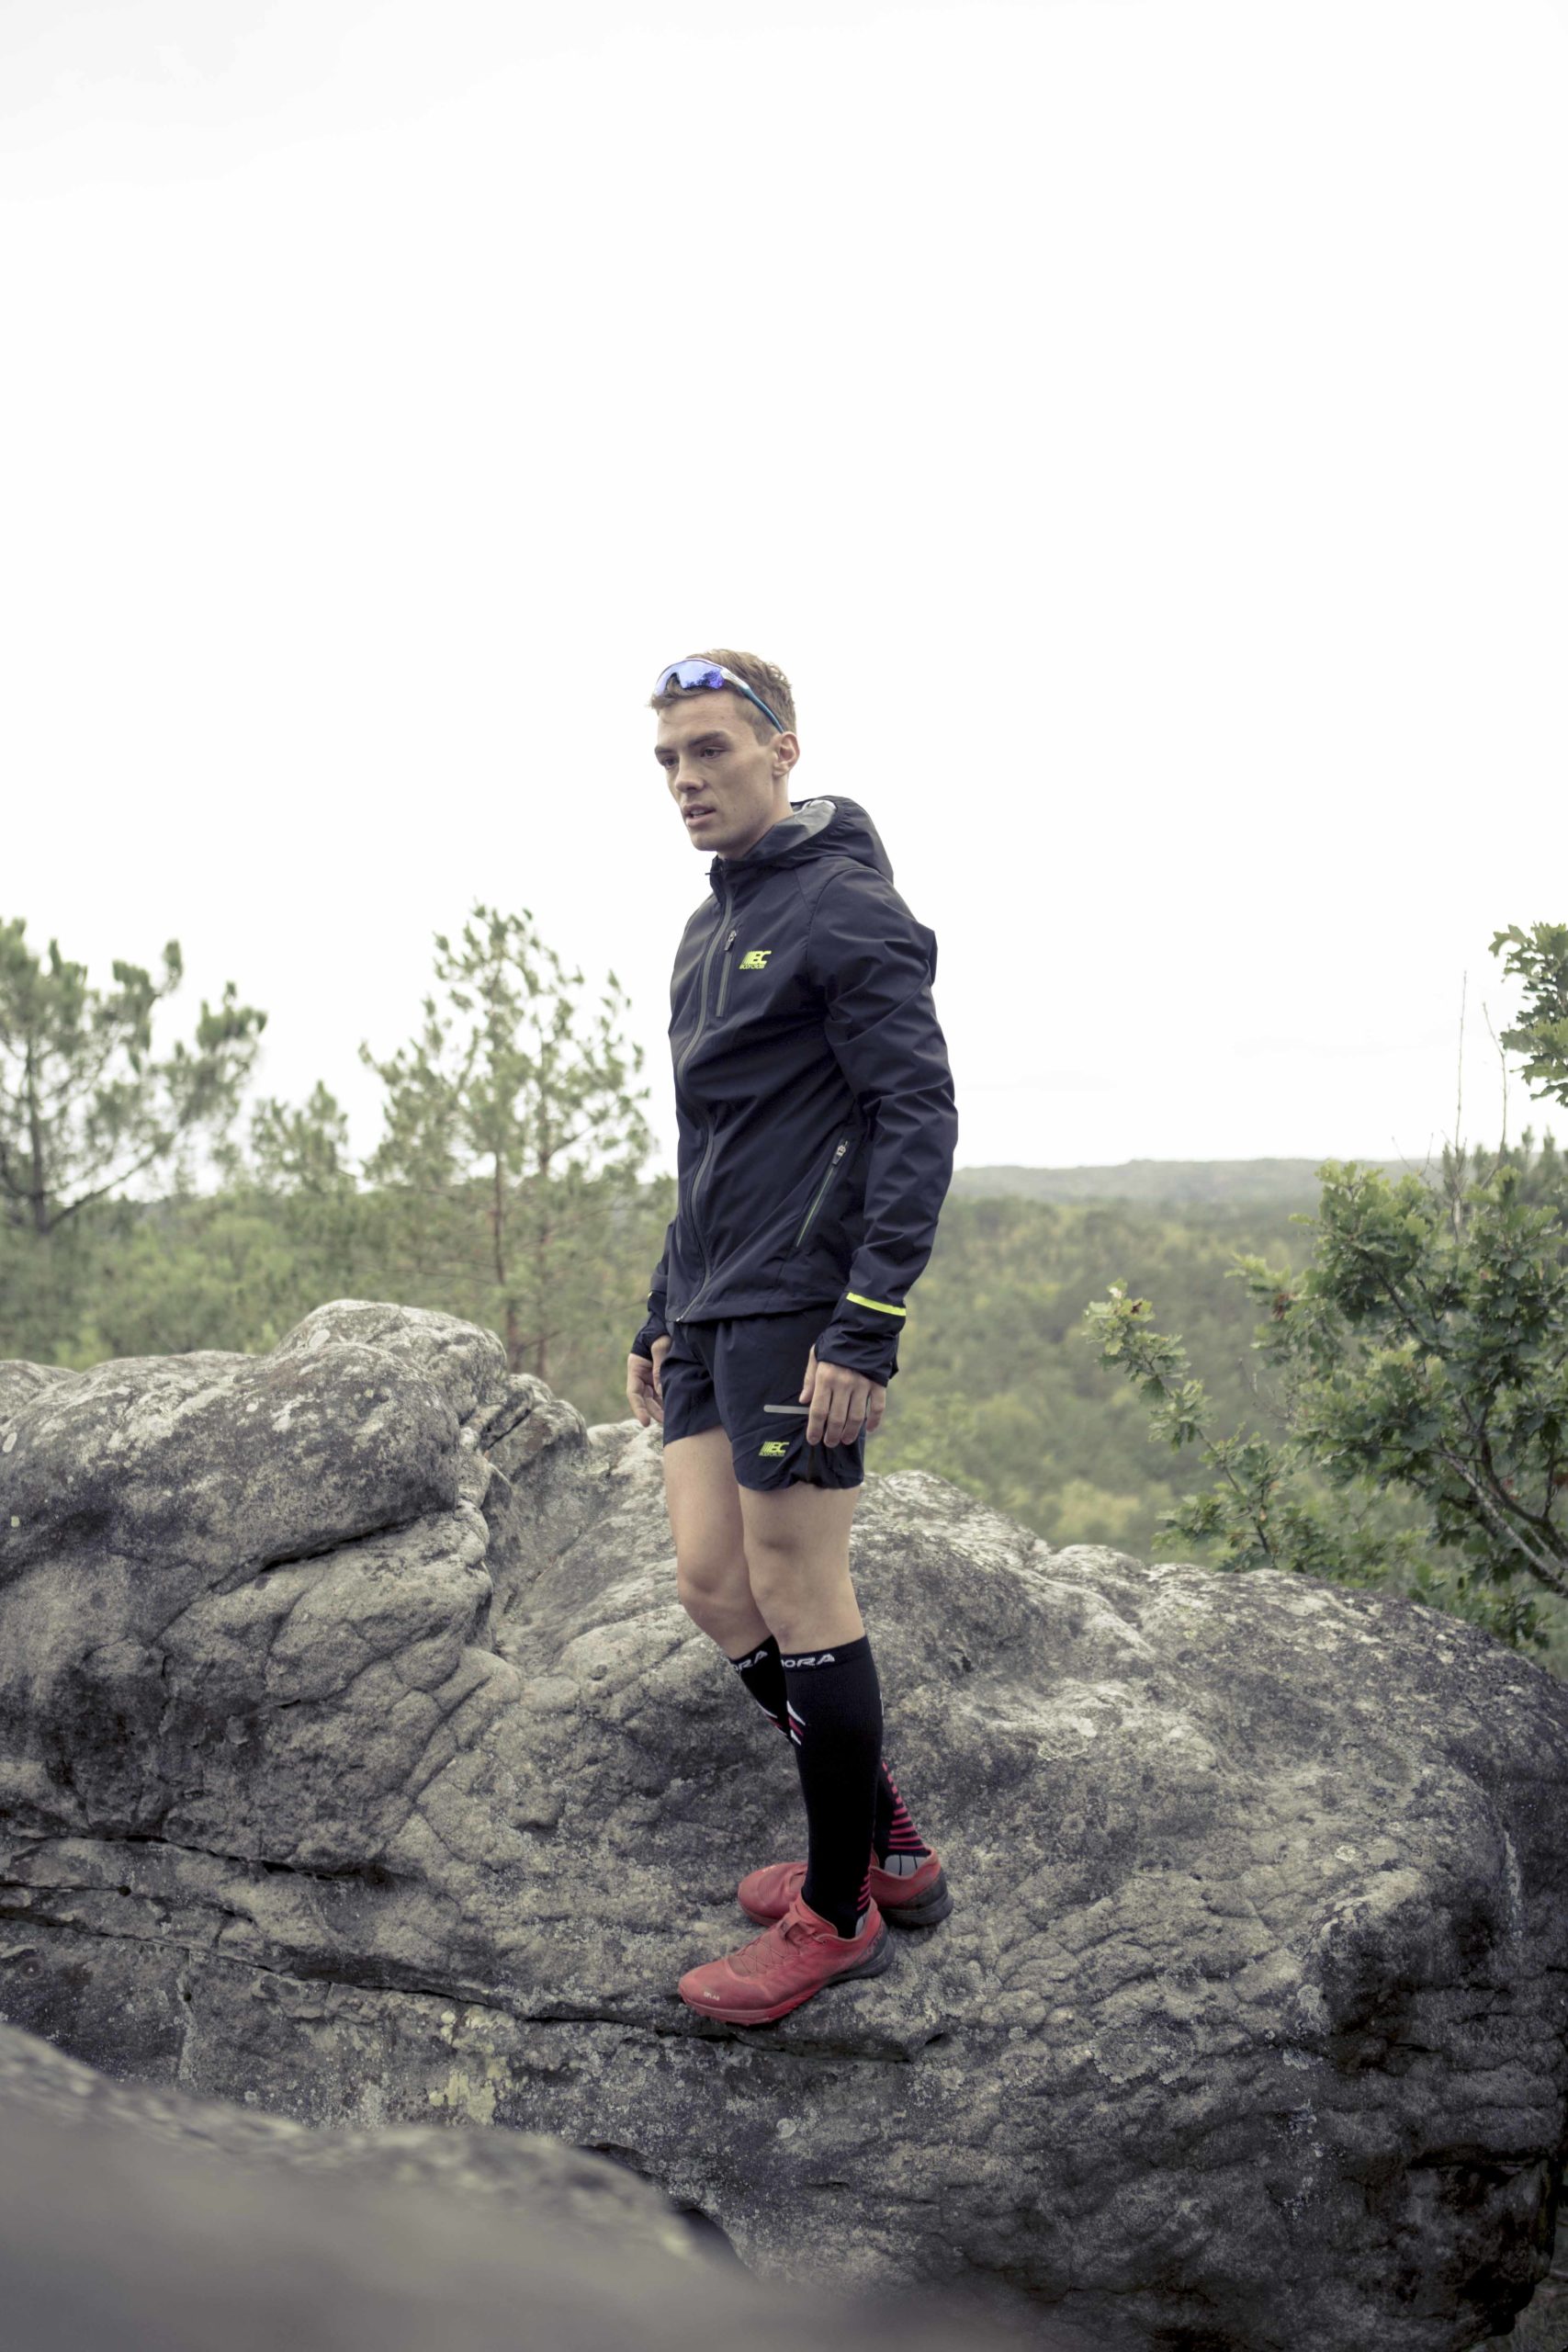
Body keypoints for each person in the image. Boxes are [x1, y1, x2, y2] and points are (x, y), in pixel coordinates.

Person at [625, 649, 958, 2025]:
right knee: (714, 1584)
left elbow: (916, 1116)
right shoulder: (709, 928)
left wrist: (865, 1324)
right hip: (714, 1302)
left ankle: (838, 1911)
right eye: (669, 760)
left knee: (799, 1587)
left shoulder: (845, 908)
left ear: (783, 750)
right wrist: (661, 1307)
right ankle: (889, 1845)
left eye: (711, 749)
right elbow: (711, 1145)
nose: (687, 780)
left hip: (803, 1307)